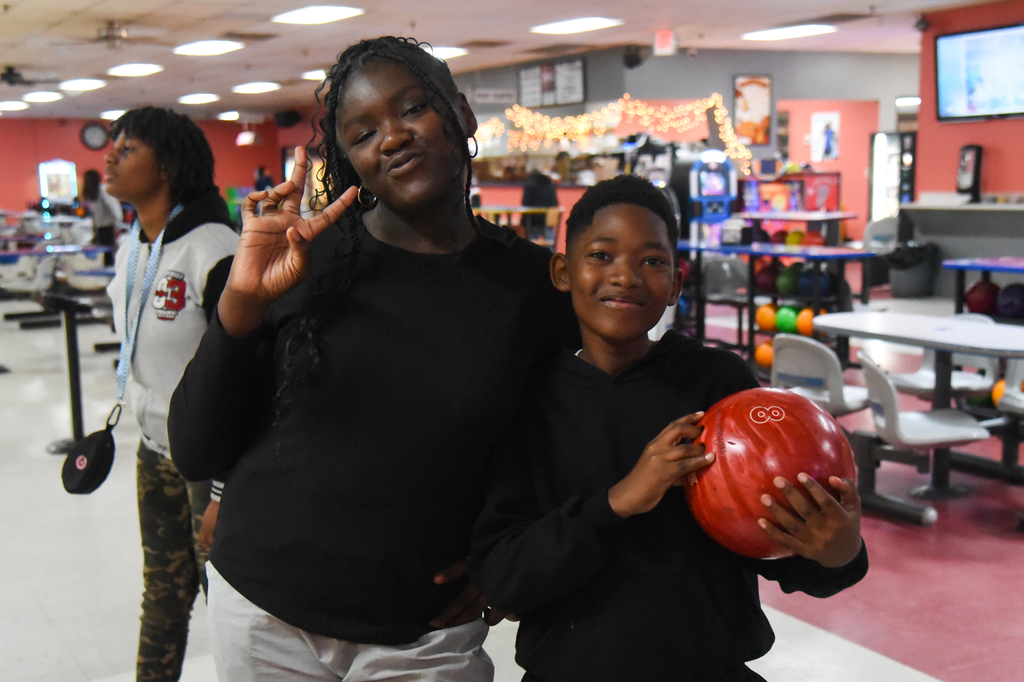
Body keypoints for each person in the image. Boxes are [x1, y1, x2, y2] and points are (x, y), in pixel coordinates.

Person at [167, 36, 578, 680]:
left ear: (462, 115)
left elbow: (557, 442)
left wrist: (507, 557)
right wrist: (240, 304)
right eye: (361, 134)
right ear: (350, 160)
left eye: (412, 108)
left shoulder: (534, 287)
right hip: (265, 607)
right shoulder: (302, 261)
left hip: (423, 626)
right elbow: (194, 448)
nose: (390, 138)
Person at [471, 175, 868, 682]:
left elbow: (778, 542)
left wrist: (837, 553)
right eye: (601, 256)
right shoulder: (528, 398)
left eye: (652, 261)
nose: (626, 276)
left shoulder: (719, 383)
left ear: (677, 284)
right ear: (562, 271)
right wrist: (619, 500)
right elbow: (505, 578)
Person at [103, 107, 238, 682]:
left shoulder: (217, 251)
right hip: (155, 452)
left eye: (127, 147)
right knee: (161, 593)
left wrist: (223, 493)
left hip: (214, 469)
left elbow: (247, 381)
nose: (109, 156)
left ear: (169, 166)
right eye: (113, 143)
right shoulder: (133, 245)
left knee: (233, 607)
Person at [81, 168, 123, 265]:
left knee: (107, 255)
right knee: (100, 255)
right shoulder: (94, 194)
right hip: (99, 228)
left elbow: (115, 209)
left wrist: (117, 225)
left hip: (108, 228)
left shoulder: (103, 191)